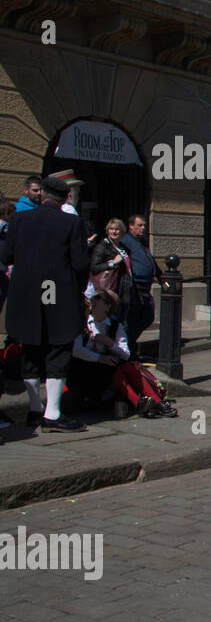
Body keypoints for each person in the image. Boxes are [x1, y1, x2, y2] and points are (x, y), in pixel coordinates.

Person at [1, 173, 91, 431]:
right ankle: (52, 414)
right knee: (57, 347)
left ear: (42, 194)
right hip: (57, 294)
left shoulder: (18, 219)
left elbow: (7, 256)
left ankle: (34, 409)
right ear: (66, 197)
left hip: (27, 294)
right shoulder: (72, 224)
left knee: (30, 348)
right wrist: (79, 289)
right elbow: (81, 263)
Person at [70, 290, 176, 418]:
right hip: (84, 368)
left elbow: (125, 354)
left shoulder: (115, 326)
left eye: (98, 299)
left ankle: (154, 403)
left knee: (126, 366)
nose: (92, 302)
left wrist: (110, 343)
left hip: (106, 369)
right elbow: (76, 350)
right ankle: (143, 403)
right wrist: (100, 358)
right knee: (117, 367)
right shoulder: (83, 323)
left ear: (107, 306)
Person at [118, 214, 158, 352]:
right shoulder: (125, 241)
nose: (143, 228)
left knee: (148, 316)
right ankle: (127, 346)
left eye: (144, 225)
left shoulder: (142, 242)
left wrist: (161, 276)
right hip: (135, 287)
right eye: (139, 225)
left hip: (145, 287)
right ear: (131, 226)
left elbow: (151, 260)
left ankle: (129, 344)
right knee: (134, 318)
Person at [89, 218, 133, 325]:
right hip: (110, 293)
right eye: (111, 229)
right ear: (107, 231)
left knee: (121, 325)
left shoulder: (124, 248)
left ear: (122, 231)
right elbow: (94, 268)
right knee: (110, 324)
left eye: (117, 229)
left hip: (124, 292)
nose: (114, 232)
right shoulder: (102, 247)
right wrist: (112, 263)